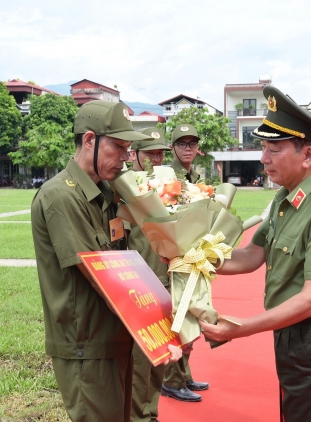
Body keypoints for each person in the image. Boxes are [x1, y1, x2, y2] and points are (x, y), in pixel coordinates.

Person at [201, 86, 311, 421]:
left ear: (307, 156)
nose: (263, 158)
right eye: (263, 148)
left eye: (274, 149)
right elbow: (250, 256)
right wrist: (194, 260)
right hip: (291, 330)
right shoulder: (284, 200)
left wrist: (239, 328)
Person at [31, 100, 182, 422]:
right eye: (119, 147)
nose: (126, 157)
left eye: (129, 149)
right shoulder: (61, 195)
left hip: (114, 337)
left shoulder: (108, 193)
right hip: (87, 343)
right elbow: (103, 275)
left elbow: (129, 257)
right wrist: (166, 326)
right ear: (89, 141)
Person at [127, 127, 173, 422]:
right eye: (150, 153)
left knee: (160, 358)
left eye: (160, 153)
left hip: (166, 282)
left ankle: (151, 412)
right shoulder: (123, 188)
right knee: (140, 364)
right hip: (139, 286)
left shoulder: (168, 187)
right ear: (134, 155)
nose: (157, 159)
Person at [161, 123, 210, 402]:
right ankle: (172, 380)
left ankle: (184, 375)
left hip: (191, 253)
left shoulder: (196, 174)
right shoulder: (169, 177)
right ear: (173, 148)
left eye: (192, 143)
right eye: (182, 144)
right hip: (176, 255)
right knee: (178, 317)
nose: (188, 148)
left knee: (189, 314)